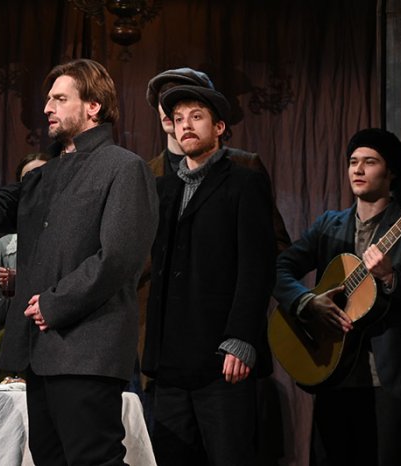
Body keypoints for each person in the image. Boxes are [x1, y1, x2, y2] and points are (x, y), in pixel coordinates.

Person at [0, 58, 158, 465]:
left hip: (88, 351)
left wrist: (54, 303)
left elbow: (118, 258)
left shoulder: (124, 167)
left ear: (93, 106)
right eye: (48, 99)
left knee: (93, 459)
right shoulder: (42, 177)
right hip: (40, 352)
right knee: (48, 458)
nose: (47, 107)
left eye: (60, 99)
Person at [273, 128, 401, 466]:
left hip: (386, 380)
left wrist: (391, 278)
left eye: (370, 162)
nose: (358, 169)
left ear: (390, 172)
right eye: (353, 162)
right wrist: (308, 302)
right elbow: (280, 269)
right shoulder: (328, 225)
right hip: (332, 370)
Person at [141, 85, 277, 465]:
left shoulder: (243, 182)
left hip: (221, 359)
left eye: (196, 117)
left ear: (219, 127)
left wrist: (241, 338)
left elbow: (257, 266)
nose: (185, 125)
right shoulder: (163, 189)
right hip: (170, 362)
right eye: (179, 119)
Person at [144, 67, 291, 251]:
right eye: (164, 98)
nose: (171, 108)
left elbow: (275, 242)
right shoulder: (147, 174)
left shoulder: (245, 165)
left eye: (193, 110)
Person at [0, 152, 50, 386]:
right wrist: (5, 291)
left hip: (61, 349)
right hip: (18, 351)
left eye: (43, 176)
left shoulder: (73, 236)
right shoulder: (5, 246)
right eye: (28, 179)